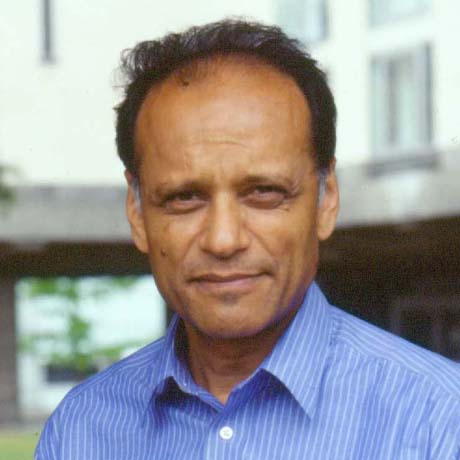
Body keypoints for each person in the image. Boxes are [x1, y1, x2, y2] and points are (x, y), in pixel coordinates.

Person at [35, 19, 460, 460]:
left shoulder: (441, 424)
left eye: (264, 193)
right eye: (184, 197)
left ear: (327, 199)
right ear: (137, 212)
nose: (223, 239)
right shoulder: (81, 430)